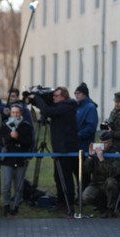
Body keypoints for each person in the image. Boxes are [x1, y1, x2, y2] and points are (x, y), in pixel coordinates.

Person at [30, 87, 78, 215]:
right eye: (53, 96)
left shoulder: (66, 107)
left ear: (63, 96)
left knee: (65, 178)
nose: (54, 98)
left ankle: (68, 204)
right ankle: (61, 202)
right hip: (60, 149)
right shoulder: (62, 106)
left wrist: (37, 98)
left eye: (56, 96)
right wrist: (35, 100)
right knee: (58, 177)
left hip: (66, 149)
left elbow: (47, 110)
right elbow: (48, 108)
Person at [0, 103, 34, 217]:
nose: (15, 114)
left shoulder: (26, 126)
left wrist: (18, 137)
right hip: (7, 157)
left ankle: (16, 206)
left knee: (19, 185)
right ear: (10, 113)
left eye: (17, 112)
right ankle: (6, 205)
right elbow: (2, 141)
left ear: (21, 113)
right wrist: (10, 136)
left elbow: (29, 142)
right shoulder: (5, 125)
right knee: (6, 184)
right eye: (13, 112)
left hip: (20, 158)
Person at [82, 131, 120, 218]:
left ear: (111, 143)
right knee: (86, 196)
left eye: (105, 143)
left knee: (111, 182)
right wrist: (90, 157)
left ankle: (110, 209)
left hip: (109, 182)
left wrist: (101, 159)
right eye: (100, 142)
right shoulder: (96, 152)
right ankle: (101, 207)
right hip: (96, 183)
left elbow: (113, 172)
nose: (102, 145)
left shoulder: (115, 154)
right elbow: (86, 171)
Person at [74, 82, 98, 151]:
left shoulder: (90, 107)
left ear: (85, 94)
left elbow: (91, 127)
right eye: (75, 93)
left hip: (85, 145)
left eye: (78, 93)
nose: (76, 95)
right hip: (76, 144)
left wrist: (77, 136)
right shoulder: (77, 107)